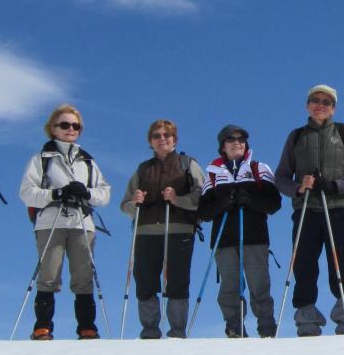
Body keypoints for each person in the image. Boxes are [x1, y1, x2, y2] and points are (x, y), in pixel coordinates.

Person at [274, 85, 344, 336]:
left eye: (326, 102)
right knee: (304, 265)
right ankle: (306, 318)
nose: (320, 105)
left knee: (341, 265)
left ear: (333, 108)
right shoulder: (296, 136)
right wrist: (298, 188)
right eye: (315, 100)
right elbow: (281, 176)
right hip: (307, 210)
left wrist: (336, 185)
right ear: (307, 105)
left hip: (339, 209)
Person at [18, 104, 112, 340]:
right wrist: (55, 194)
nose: (71, 129)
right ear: (53, 129)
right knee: (49, 274)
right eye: (65, 124)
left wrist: (87, 193)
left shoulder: (87, 161)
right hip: (51, 222)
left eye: (75, 125)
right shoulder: (41, 159)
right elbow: (26, 192)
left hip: (81, 223)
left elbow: (105, 193)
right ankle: (43, 326)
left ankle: (87, 327)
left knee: (83, 275)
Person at [120, 120, 205, 339]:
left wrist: (178, 199)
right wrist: (134, 202)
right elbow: (125, 204)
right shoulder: (143, 169)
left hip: (179, 228)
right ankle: (150, 331)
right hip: (147, 229)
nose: (162, 139)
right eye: (157, 136)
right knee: (146, 280)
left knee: (177, 280)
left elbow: (202, 196)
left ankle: (177, 331)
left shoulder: (187, 164)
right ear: (151, 141)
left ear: (175, 139)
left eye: (167, 135)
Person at [198, 124, 282, 338]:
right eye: (231, 139)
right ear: (222, 146)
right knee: (229, 286)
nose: (237, 142)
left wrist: (250, 200)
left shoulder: (258, 168)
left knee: (259, 284)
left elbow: (274, 203)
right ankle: (234, 326)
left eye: (241, 139)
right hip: (224, 239)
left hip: (254, 237)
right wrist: (221, 204)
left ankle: (266, 327)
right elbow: (204, 212)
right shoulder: (213, 174)